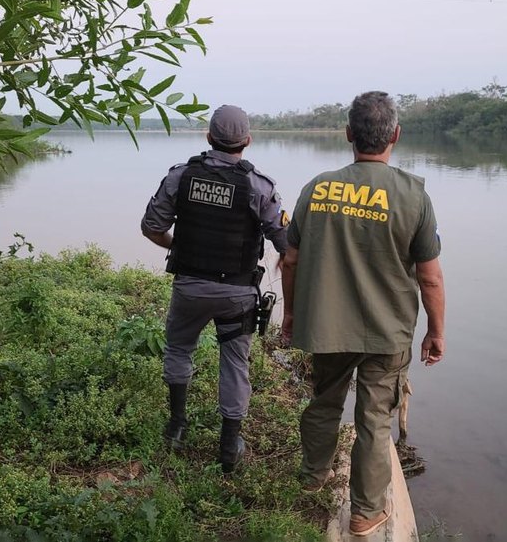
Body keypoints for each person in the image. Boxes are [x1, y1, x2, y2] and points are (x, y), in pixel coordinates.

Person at [281, 91, 446, 537]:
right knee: (374, 418)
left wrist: (292, 315)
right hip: (387, 330)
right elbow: (430, 278)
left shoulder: (316, 187)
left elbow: (291, 260)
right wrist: (436, 331)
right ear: (395, 135)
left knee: (324, 401)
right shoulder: (413, 194)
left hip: (325, 323)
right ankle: (366, 511)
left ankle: (313, 477)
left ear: (349, 134)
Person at [141, 104, 289, 474]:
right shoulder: (260, 186)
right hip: (237, 294)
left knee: (178, 349)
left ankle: (176, 427)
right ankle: (228, 449)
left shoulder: (180, 176)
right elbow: (286, 243)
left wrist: (180, 247)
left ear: (208, 138)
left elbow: (151, 227)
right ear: (248, 141)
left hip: (189, 287)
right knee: (235, 365)